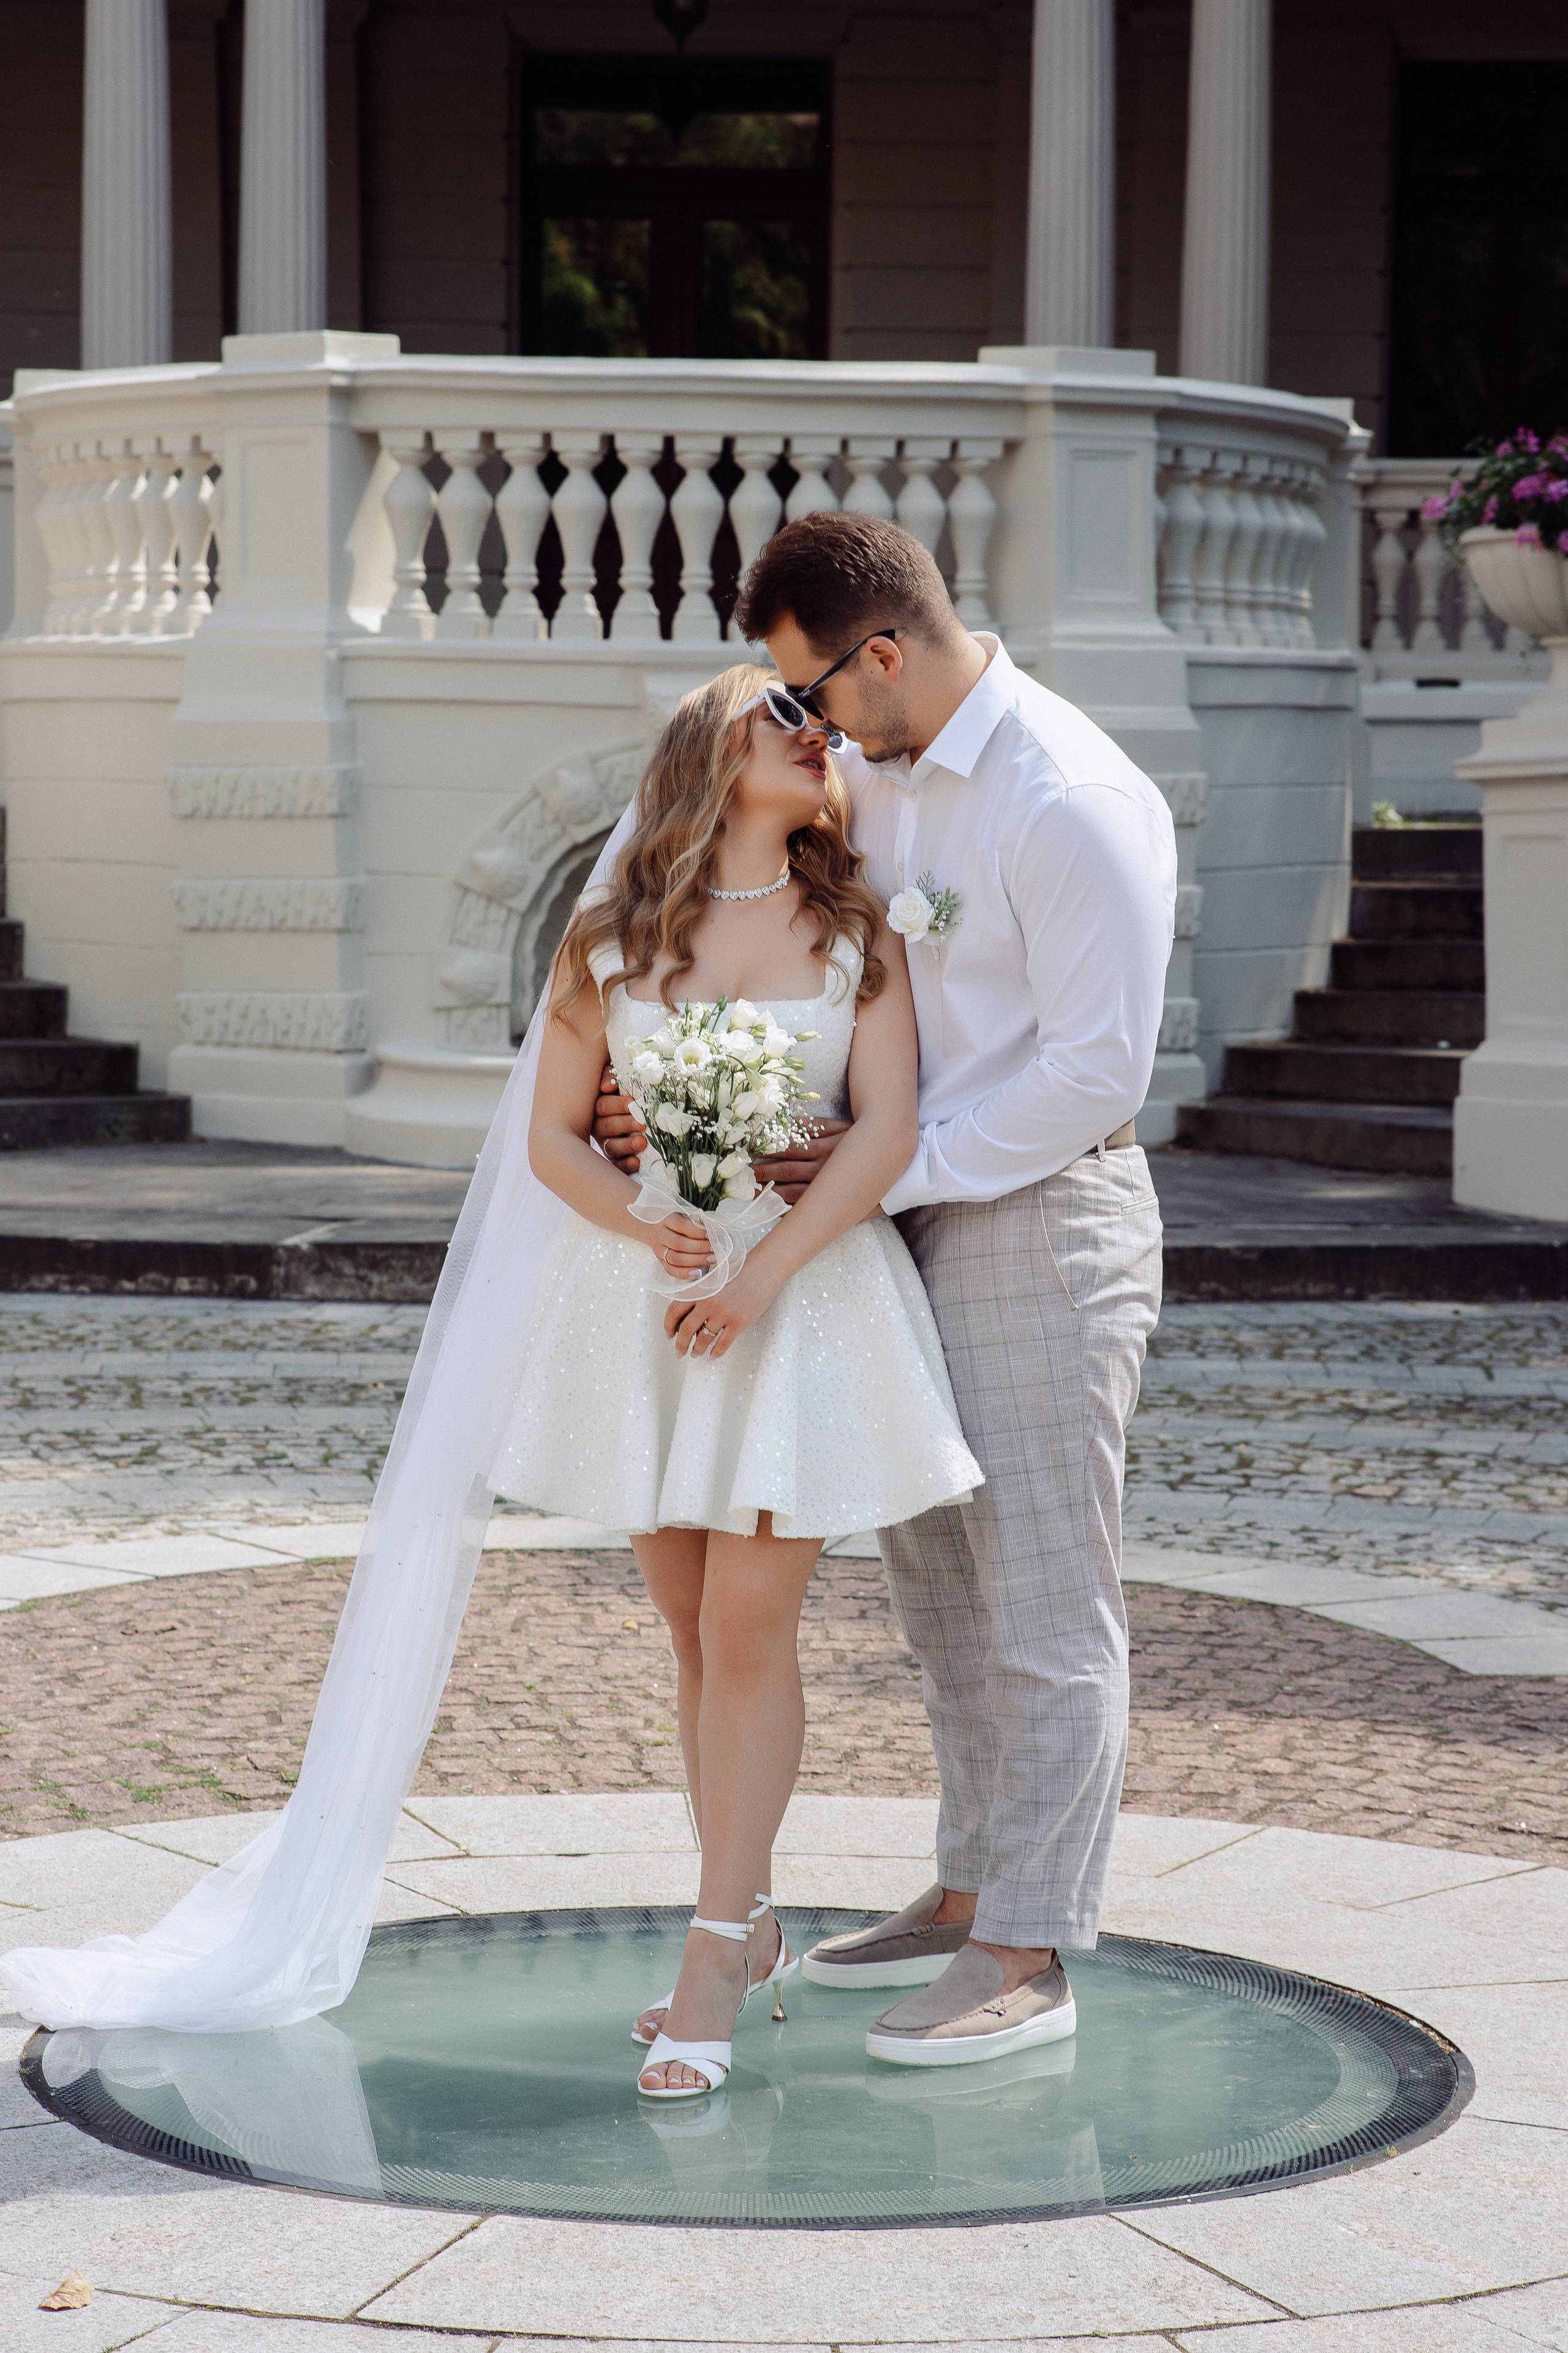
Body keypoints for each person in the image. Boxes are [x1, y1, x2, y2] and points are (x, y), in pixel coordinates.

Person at [595, 511, 1175, 2069]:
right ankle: (970, 1877)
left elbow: (1096, 1071)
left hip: (1038, 1213)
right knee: (938, 1594)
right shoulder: (878, 773)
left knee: (1043, 1594)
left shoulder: (1066, 797)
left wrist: (881, 1168)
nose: (811, 726)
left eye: (813, 691)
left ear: (884, 651)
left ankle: (1027, 1945)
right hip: (893, 1221)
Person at [505, 660, 982, 2098]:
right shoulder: (608, 938)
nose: (815, 735)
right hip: (646, 1305)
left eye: (821, 725)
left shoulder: (858, 933)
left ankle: (712, 1954)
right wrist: (642, 1222)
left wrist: (759, 1274)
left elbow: (884, 1127)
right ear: (705, 754)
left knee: (748, 1623)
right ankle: (753, 1913)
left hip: (801, 1300)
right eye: (782, 716)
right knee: (690, 1631)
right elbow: (550, 1136)